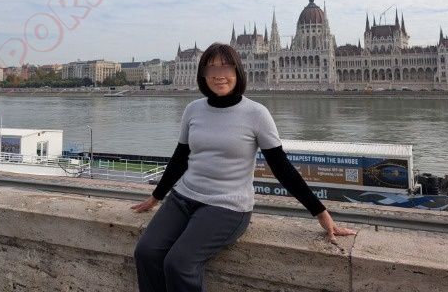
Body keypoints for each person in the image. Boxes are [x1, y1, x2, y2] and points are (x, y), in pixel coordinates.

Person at [131, 42, 355, 291]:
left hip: (227, 206)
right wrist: (156, 196)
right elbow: (180, 158)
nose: (219, 75)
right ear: (203, 74)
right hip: (184, 197)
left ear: (237, 71)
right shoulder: (193, 110)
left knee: (179, 263)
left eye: (226, 68)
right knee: (145, 252)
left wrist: (320, 212)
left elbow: (282, 168)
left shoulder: (256, 113)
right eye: (211, 68)